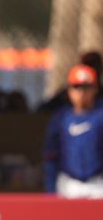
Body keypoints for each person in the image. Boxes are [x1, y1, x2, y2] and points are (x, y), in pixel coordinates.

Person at [43, 64, 103, 198]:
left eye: (86, 87)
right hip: (68, 183)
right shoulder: (61, 118)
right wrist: (50, 190)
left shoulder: (100, 115)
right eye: (77, 87)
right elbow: (51, 156)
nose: (81, 93)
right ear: (69, 90)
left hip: (98, 183)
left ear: (95, 89)